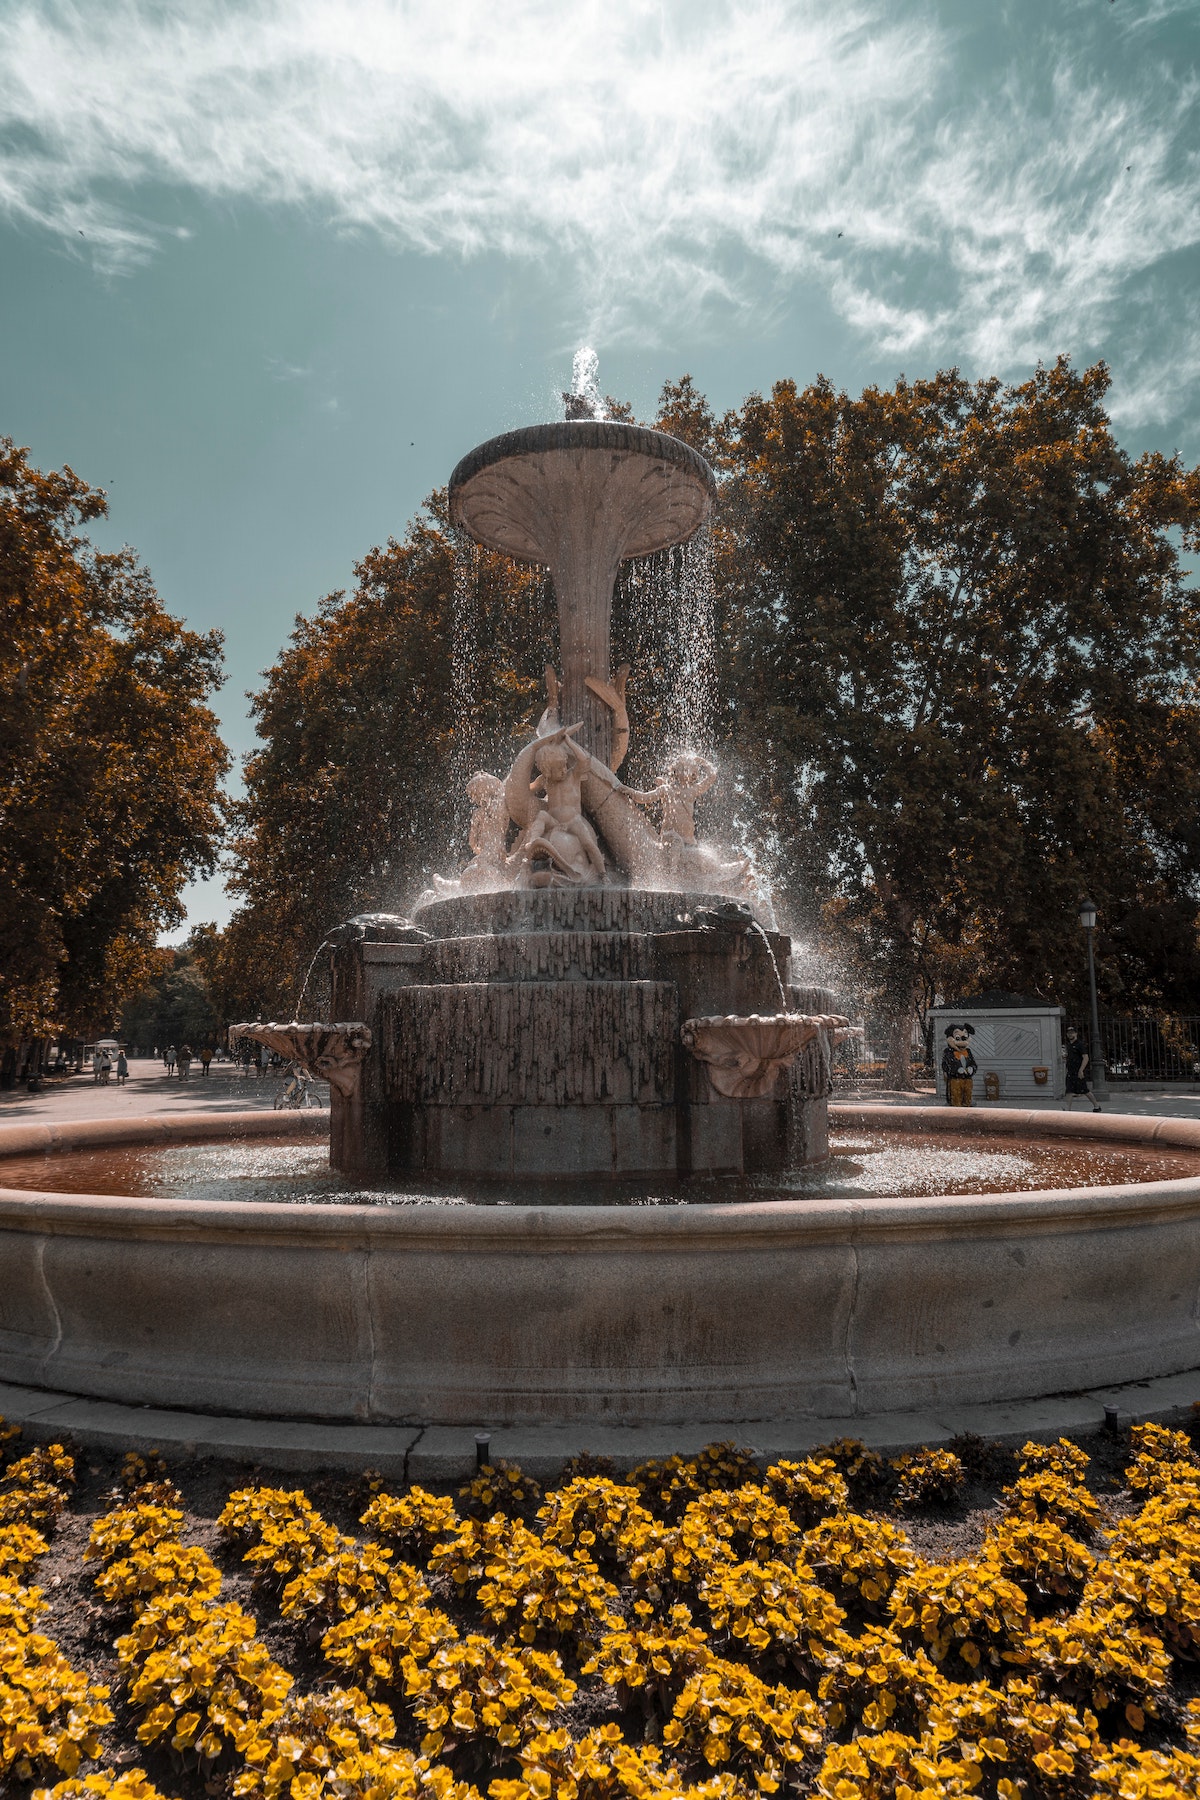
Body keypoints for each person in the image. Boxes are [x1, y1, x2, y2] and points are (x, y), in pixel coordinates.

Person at [1063, 1025, 1102, 1112]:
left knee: (1085, 1090)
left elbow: (1086, 1057)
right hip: (1070, 1072)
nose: (1070, 1035)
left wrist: (1081, 1070)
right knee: (1069, 1090)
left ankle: (1096, 1106)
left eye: (1072, 1033)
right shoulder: (1069, 1045)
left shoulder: (1079, 1044)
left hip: (1078, 1071)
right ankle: (1067, 1109)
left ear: (1076, 1033)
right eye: (1069, 1033)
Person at [941, 1022, 978, 1107]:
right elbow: (946, 1066)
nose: (962, 1042)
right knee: (956, 1098)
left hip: (967, 1079)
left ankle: (967, 1107)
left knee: (967, 1096)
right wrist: (956, 1070)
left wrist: (972, 1068)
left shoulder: (968, 1052)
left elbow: (973, 1063)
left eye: (964, 1038)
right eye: (957, 1038)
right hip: (955, 1080)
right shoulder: (948, 1052)